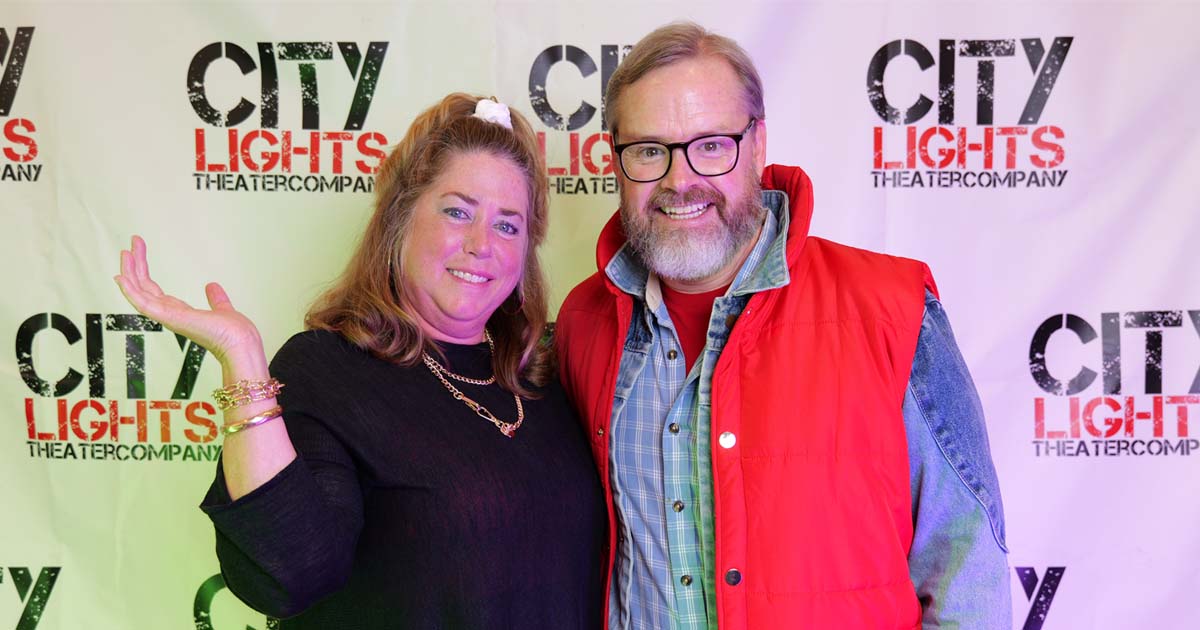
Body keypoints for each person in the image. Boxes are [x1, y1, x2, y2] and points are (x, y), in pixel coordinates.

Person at [554, 22, 1011, 629]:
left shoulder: (892, 307)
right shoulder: (581, 324)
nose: (679, 179)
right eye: (648, 150)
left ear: (758, 144)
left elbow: (965, 563)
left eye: (711, 144)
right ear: (615, 159)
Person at [116, 94, 605, 629]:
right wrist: (244, 362)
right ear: (401, 219)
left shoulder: (546, 374)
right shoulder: (326, 369)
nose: (480, 243)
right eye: (457, 211)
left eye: (508, 225)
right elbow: (289, 574)